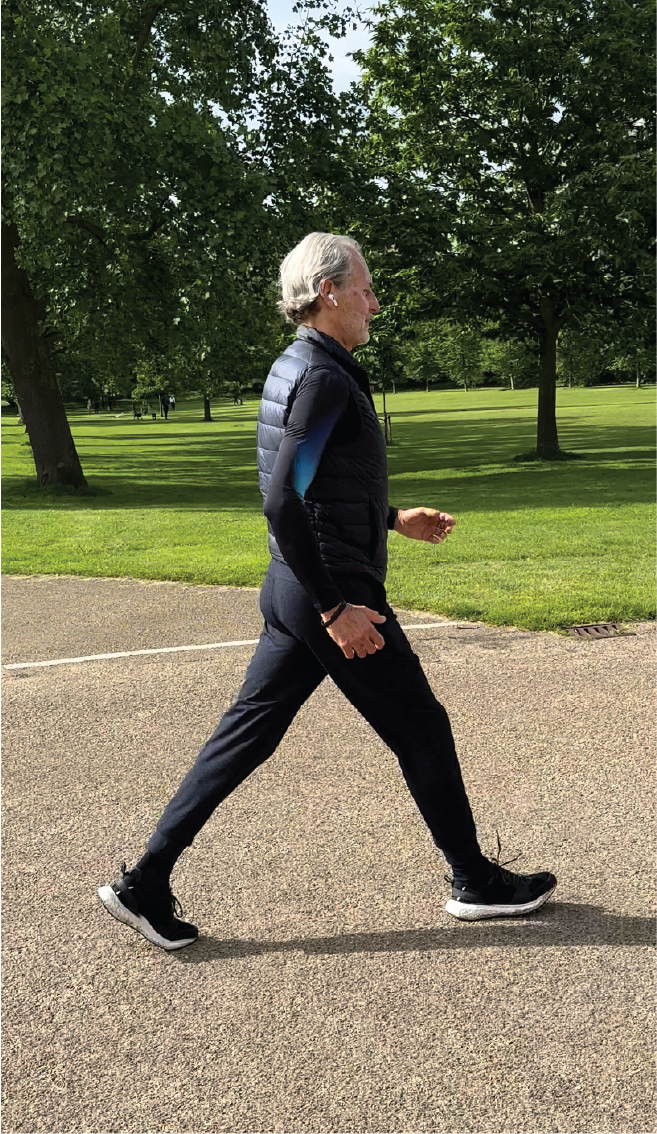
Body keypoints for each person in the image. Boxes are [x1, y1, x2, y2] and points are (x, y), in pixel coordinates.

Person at [98, 233, 556, 951]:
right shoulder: (322, 376)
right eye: (366, 288)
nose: (376, 302)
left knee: (246, 735)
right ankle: (474, 882)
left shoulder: (301, 366)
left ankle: (143, 882)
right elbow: (283, 500)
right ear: (329, 292)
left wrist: (389, 518)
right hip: (330, 594)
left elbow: (312, 490)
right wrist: (335, 607)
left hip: (293, 588)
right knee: (420, 727)